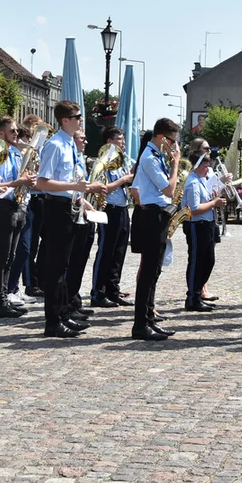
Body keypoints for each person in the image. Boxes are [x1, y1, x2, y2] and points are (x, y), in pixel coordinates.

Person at [35, 102, 92, 338]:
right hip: (56, 209)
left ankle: (63, 314)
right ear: (65, 120)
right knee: (56, 268)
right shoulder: (55, 145)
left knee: (65, 266)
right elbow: (42, 182)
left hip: (69, 206)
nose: (80, 120)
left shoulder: (69, 144)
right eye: (77, 117)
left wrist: (81, 198)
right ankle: (52, 322)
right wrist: (74, 187)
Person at [130, 117, 181, 341]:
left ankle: (149, 318)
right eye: (172, 141)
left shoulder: (157, 155)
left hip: (158, 214)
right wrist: (176, 163)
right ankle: (141, 324)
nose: (174, 147)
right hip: (150, 215)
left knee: (155, 271)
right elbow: (168, 190)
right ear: (161, 137)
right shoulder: (149, 157)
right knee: (149, 272)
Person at [0, 116, 34, 319]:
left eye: (16, 131)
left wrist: (28, 180)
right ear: (0, 134)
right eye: (12, 131)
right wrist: (19, 181)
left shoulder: (15, 152)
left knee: (12, 257)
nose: (17, 134)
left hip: (18, 205)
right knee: (2, 256)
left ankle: (6, 296)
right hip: (3, 206)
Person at [89, 126, 135, 307]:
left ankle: (113, 290)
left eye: (123, 139)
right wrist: (123, 180)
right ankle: (97, 293)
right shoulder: (102, 162)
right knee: (106, 251)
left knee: (119, 253)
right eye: (119, 139)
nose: (123, 143)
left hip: (122, 208)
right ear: (109, 142)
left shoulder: (120, 162)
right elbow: (103, 188)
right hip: (108, 209)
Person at [64, 129, 103, 318]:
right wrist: (91, 188)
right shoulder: (69, 157)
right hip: (70, 214)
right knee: (71, 262)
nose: (86, 141)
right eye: (82, 138)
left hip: (82, 212)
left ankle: (74, 300)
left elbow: (78, 190)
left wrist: (85, 201)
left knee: (80, 261)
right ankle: (68, 304)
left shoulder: (79, 158)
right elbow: (71, 185)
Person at [182, 150, 225, 312]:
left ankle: (198, 294)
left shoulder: (201, 180)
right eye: (205, 166)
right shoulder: (192, 182)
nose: (208, 169)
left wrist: (215, 197)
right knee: (196, 261)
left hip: (206, 223)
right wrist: (214, 203)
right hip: (196, 224)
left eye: (208, 166)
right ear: (196, 166)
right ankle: (192, 297)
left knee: (208, 260)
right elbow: (193, 209)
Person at [11, 114, 47, 299]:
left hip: (40, 197)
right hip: (28, 198)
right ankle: (26, 284)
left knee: (37, 244)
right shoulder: (21, 149)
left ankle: (34, 281)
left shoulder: (36, 150)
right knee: (27, 245)